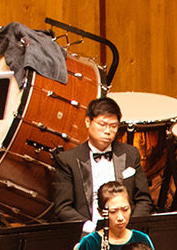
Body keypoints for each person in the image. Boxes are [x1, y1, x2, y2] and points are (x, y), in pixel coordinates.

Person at [50, 96, 154, 226]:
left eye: (113, 126)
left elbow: (144, 200)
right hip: (88, 231)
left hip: (125, 228)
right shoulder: (67, 160)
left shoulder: (130, 154)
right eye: (102, 125)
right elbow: (63, 208)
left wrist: (130, 227)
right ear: (88, 122)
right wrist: (91, 229)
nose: (107, 131)